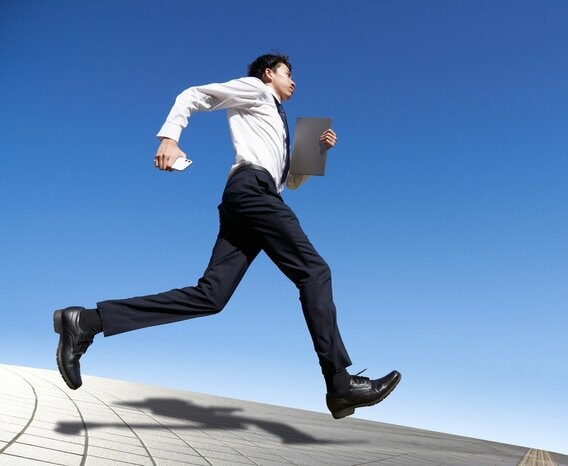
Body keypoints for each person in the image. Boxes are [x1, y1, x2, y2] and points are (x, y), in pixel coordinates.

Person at [53, 53, 400, 420]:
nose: (294, 81)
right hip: (253, 191)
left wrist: (318, 151)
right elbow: (193, 95)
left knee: (211, 297)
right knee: (314, 272)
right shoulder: (255, 90)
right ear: (268, 74)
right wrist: (169, 138)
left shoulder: (280, 123)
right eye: (287, 73)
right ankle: (339, 384)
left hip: (254, 196)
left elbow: (291, 182)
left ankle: (87, 321)